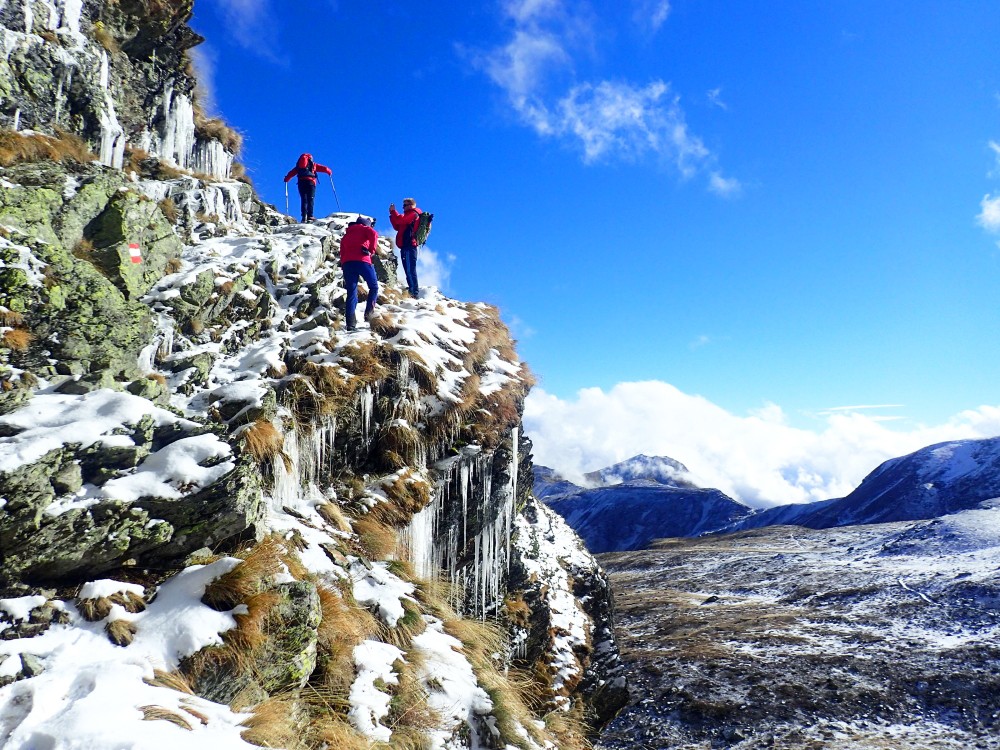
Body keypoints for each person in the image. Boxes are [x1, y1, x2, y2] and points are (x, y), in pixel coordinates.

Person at [339, 216, 379, 330]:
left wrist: (344, 265)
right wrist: (371, 250)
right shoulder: (364, 228)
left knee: (351, 292)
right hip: (362, 261)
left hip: (347, 264)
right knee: (374, 287)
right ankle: (368, 314)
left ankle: (350, 324)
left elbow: (342, 252)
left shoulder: (347, 235)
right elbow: (374, 234)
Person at [283, 153, 332, 223]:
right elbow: (325, 169)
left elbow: (291, 173)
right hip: (311, 182)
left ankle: (303, 217)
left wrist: (286, 179)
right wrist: (329, 172)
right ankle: (310, 216)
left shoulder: (299, 167)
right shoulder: (313, 165)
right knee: (310, 199)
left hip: (301, 183)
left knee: (304, 200)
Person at [389, 197, 422, 298]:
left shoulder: (414, 214)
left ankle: (414, 292)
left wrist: (394, 212)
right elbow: (397, 226)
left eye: (405, 205)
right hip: (405, 246)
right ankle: (412, 289)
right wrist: (393, 214)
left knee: (410, 269)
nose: (403, 208)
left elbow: (401, 221)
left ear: (411, 205)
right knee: (408, 268)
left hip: (409, 245)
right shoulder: (408, 215)